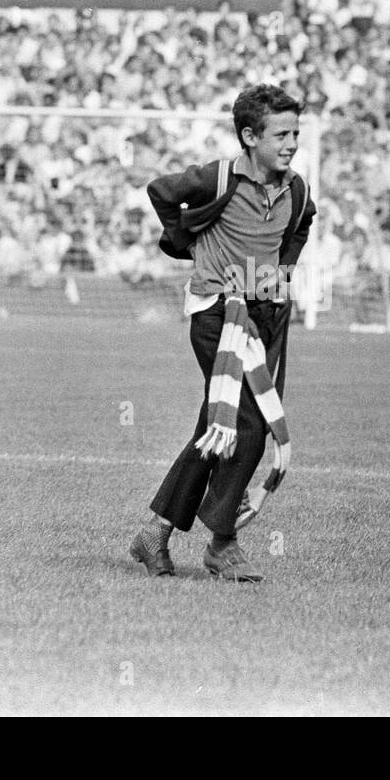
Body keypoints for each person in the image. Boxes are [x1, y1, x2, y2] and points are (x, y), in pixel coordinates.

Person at [130, 85, 317, 582]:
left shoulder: (296, 190)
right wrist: (188, 240)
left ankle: (156, 531)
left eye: (296, 132)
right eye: (281, 134)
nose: (292, 142)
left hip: (265, 315)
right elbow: (161, 191)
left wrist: (283, 270)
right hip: (217, 313)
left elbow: (302, 226)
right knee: (249, 426)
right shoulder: (216, 178)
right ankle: (223, 543)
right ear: (249, 136)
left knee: (215, 425)